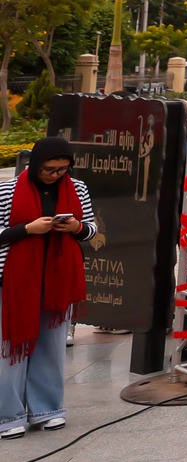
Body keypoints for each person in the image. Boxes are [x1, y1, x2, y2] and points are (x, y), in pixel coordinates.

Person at [0, 138, 96, 438]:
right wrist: (28, 229)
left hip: (58, 280)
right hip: (14, 281)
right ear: (35, 164)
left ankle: (47, 410)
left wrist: (76, 227)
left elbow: (91, 229)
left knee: (51, 347)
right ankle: (8, 416)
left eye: (62, 170)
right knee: (10, 350)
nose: (55, 175)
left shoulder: (78, 188)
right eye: (49, 169)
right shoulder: (7, 190)